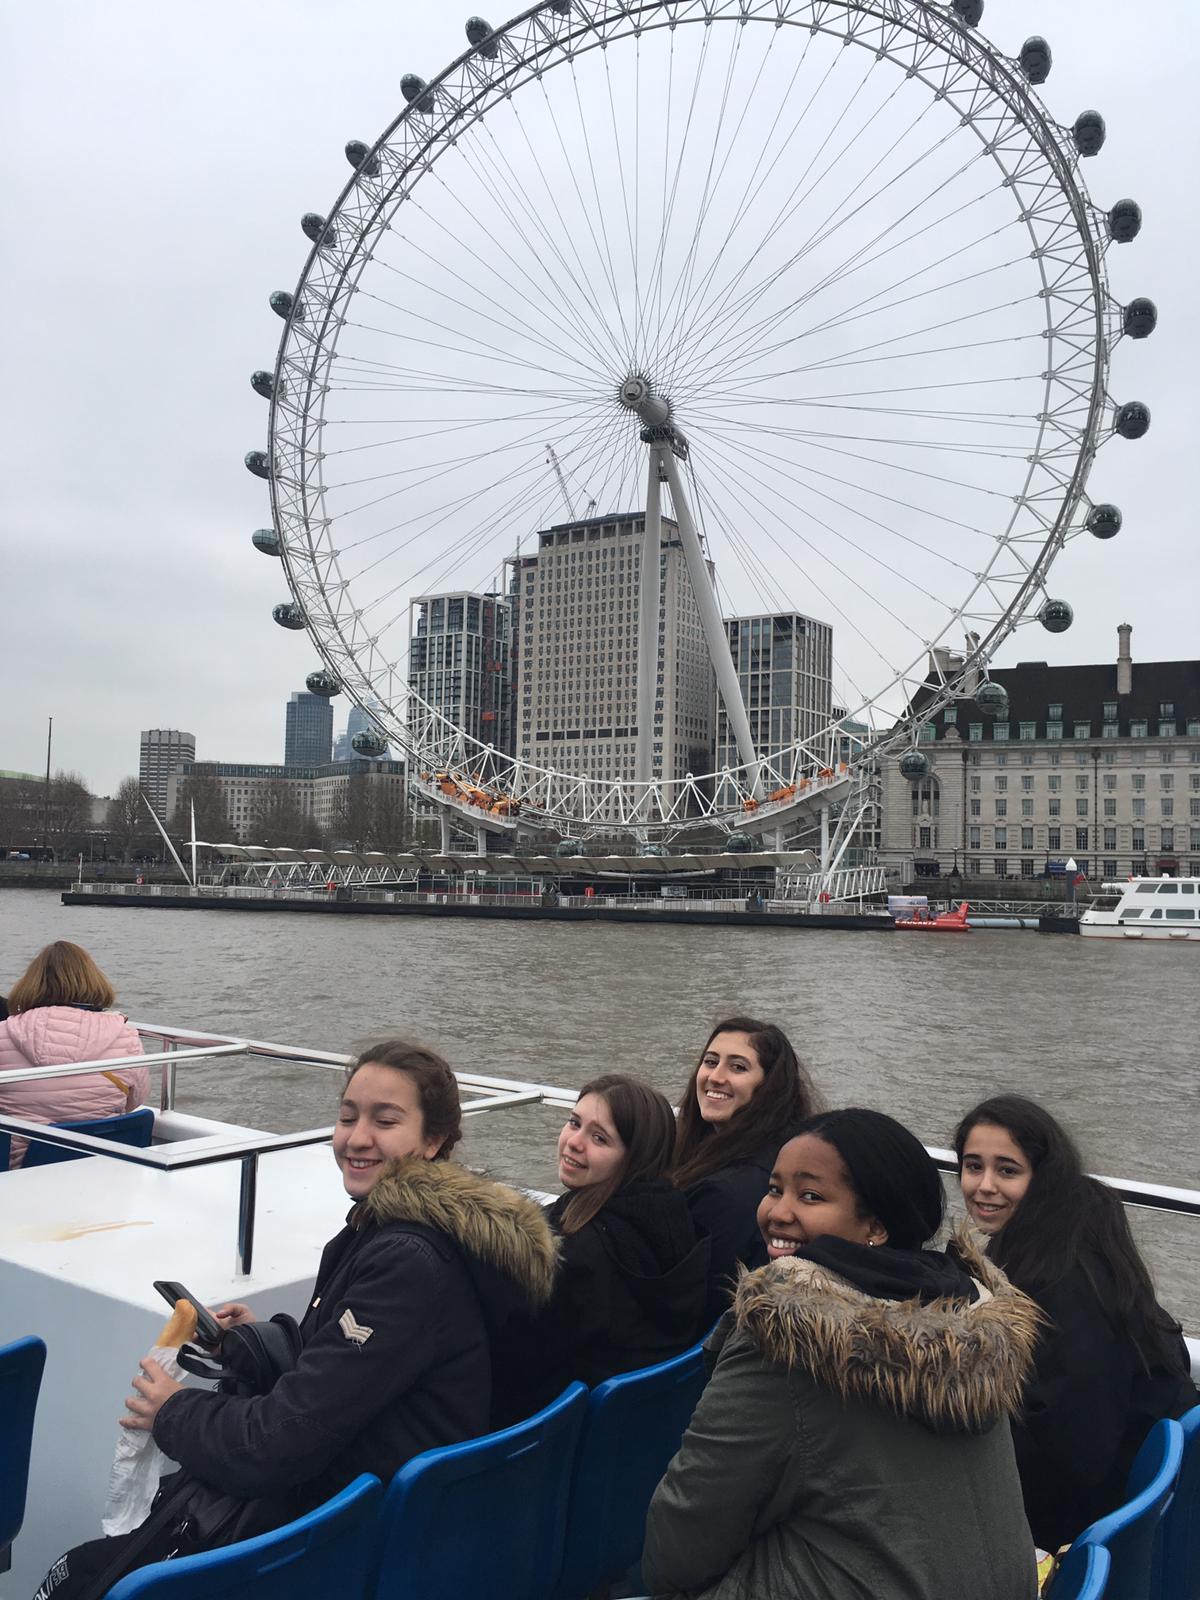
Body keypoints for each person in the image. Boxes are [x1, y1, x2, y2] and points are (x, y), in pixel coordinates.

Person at [33, 1040, 558, 1592]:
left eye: (385, 1121)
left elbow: (277, 1446)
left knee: (77, 1578)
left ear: (432, 1140)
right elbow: (348, 1375)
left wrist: (172, 1411)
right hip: (362, 1500)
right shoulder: (391, 1228)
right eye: (348, 1117)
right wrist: (255, 1342)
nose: (357, 1138)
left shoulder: (408, 1261)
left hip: (346, 1536)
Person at [643, 1109, 1041, 1600]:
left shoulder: (785, 1344)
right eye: (774, 1189)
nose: (777, 1212)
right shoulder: (974, 1327)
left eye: (810, 1196)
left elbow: (676, 1551)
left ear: (876, 1225)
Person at [954, 1094, 1198, 1552]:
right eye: (973, 1166)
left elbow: (1071, 1450)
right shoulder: (1069, 1243)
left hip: (1087, 1526)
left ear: (1044, 1178)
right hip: (1141, 1501)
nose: (984, 1186)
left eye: (1007, 1170)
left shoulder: (1061, 1283)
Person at [493, 1073, 708, 1426]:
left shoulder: (582, 1255)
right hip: (627, 1428)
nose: (574, 1142)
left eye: (599, 1138)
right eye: (574, 1123)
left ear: (635, 1159)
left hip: (551, 1429)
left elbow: (513, 1357)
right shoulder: (674, 1218)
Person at [670, 1016, 818, 1322]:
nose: (716, 1077)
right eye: (711, 1062)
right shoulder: (784, 1150)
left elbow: (697, 1304)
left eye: (737, 1067)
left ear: (769, 1087)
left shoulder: (725, 1192)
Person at [0, 941, 150, 1167]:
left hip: (22, 1169)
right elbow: (135, 1099)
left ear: (31, 983)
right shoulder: (125, 1036)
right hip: (105, 1163)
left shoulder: (3, 1033)